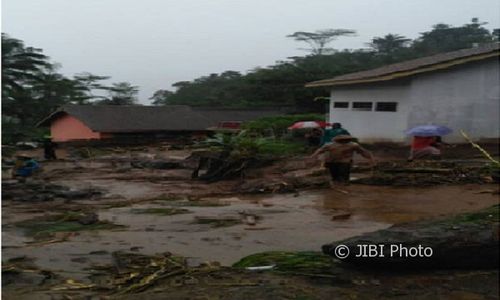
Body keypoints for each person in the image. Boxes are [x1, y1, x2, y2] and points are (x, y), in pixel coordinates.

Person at [310, 135, 375, 186]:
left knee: (344, 173)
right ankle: (336, 183)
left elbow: (362, 151)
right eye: (343, 140)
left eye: (347, 140)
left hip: (345, 161)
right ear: (338, 140)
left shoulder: (353, 145)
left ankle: (345, 183)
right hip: (332, 161)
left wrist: (370, 158)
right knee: (334, 175)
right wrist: (314, 156)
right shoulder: (329, 145)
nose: (345, 141)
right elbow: (319, 150)